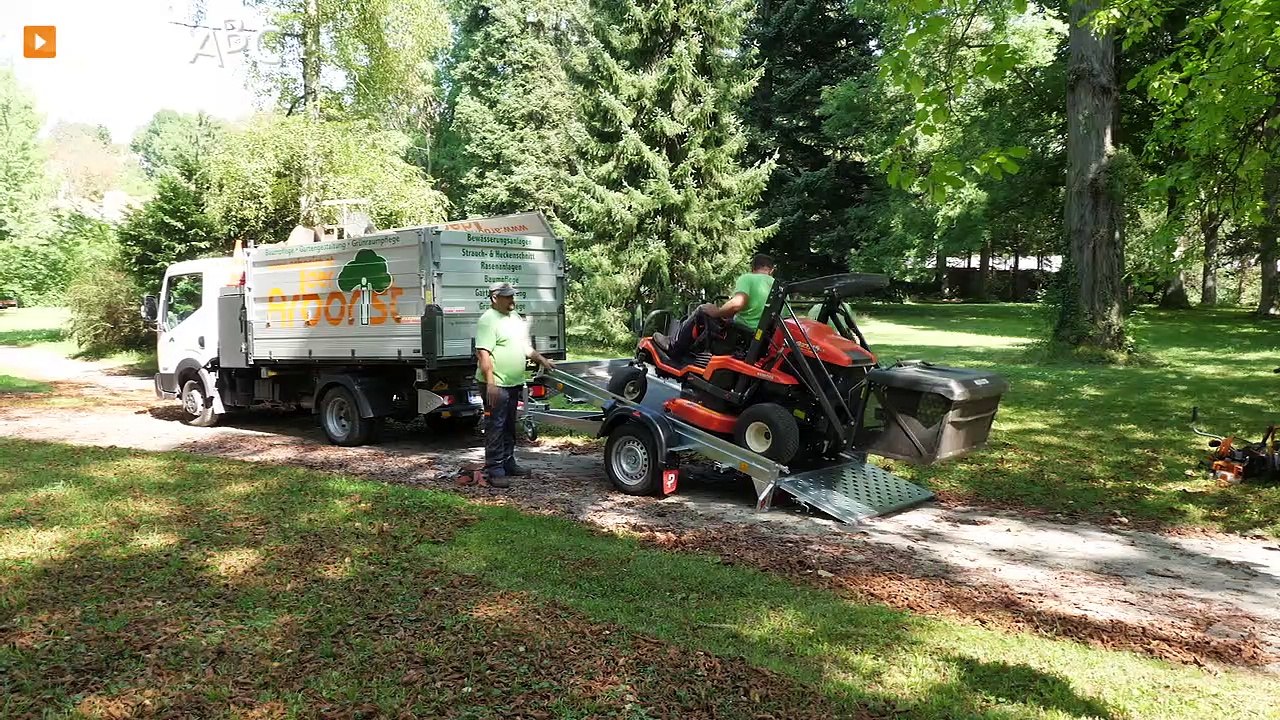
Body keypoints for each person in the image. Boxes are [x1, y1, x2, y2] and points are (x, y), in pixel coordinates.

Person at [474, 282, 556, 487]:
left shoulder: (515, 318)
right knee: (496, 426)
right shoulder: (488, 320)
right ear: (495, 298)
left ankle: (508, 463)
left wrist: (542, 359)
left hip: (513, 383)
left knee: (510, 425)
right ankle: (494, 469)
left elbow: (525, 347)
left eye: (513, 296)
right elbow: (483, 354)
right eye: (508, 296)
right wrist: (491, 384)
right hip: (496, 384)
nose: (512, 300)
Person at [661, 253, 775, 359]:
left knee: (703, 309)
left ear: (753, 268)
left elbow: (737, 304)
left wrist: (717, 312)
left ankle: (675, 348)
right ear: (771, 270)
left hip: (741, 336)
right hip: (762, 340)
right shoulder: (777, 287)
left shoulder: (748, 278)